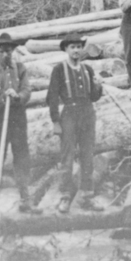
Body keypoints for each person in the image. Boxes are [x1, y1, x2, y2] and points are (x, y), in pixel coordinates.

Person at [46, 34, 104, 213]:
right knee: (67, 158)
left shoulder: (87, 69)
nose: (77, 50)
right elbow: (52, 96)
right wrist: (56, 121)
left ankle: (87, 196)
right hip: (69, 114)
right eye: (73, 47)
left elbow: (94, 97)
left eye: (79, 47)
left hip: (87, 113)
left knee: (88, 155)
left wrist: (98, 86)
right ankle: (65, 197)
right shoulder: (59, 70)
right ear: (66, 49)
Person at [0, 33, 36, 212]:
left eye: (8, 51)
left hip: (17, 116)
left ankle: (25, 197)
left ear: (13, 51)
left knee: (21, 156)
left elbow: (27, 90)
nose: (5, 54)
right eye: (1, 51)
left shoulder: (20, 68)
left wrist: (18, 95)